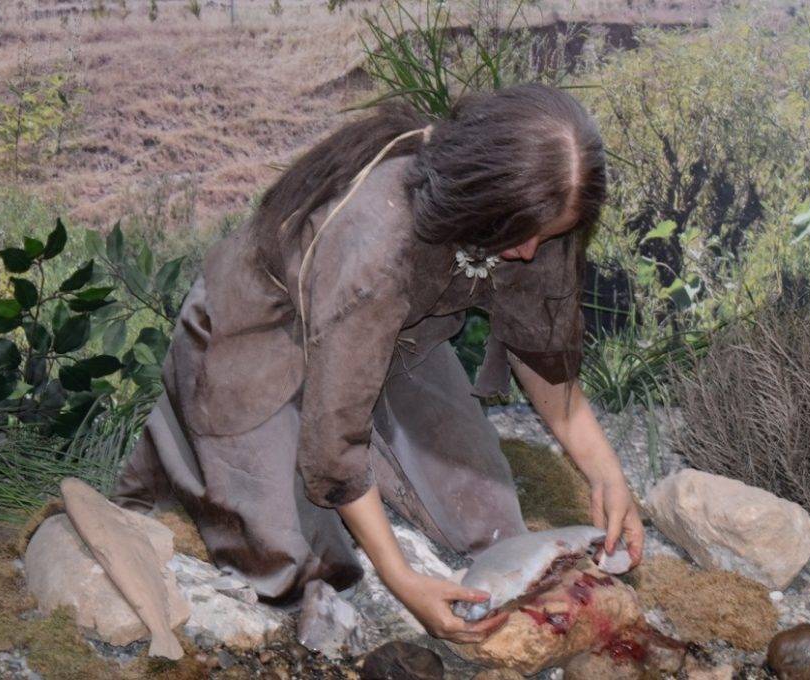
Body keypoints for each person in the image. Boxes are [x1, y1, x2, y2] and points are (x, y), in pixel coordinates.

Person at [115, 83, 645, 644]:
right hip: (259, 343)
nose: (530, 252)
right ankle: (202, 448)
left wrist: (608, 475)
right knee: (299, 571)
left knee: (490, 523)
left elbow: (542, 353)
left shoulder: (536, 214)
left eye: (548, 236)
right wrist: (402, 579)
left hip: (395, 344)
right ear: (478, 196)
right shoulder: (379, 242)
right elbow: (335, 441)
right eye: (519, 236)